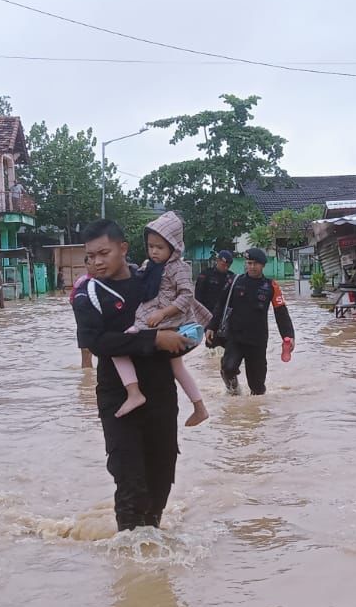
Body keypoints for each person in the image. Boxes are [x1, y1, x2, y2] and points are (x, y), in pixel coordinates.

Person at [72, 219, 190, 532]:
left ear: (123, 249)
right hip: (118, 396)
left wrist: (186, 337)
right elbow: (95, 342)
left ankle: (152, 551)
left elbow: (182, 310)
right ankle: (128, 558)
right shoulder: (88, 293)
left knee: (162, 475)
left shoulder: (153, 280)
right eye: (90, 256)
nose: (96, 261)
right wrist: (153, 340)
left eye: (103, 253)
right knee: (130, 480)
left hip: (161, 391)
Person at [112, 212, 214, 427]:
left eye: (159, 247)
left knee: (119, 345)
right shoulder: (149, 266)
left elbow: (187, 296)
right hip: (155, 318)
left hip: (166, 321)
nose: (154, 251)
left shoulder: (179, 268)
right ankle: (200, 407)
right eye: (151, 246)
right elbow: (136, 281)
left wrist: (163, 313)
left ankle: (133, 392)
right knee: (177, 368)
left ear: (173, 246)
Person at [216, 247, 296, 396]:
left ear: (263, 265)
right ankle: (234, 393)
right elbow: (221, 305)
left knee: (257, 387)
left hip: (257, 340)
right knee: (228, 368)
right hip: (235, 337)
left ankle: (256, 414)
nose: (251, 267)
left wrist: (289, 335)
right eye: (249, 263)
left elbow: (281, 313)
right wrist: (211, 327)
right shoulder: (235, 281)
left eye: (255, 264)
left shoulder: (271, 286)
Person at [196, 250, 235, 345]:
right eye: (223, 265)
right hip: (208, 314)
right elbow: (197, 298)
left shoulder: (231, 277)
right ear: (217, 261)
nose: (225, 268)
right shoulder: (205, 275)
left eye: (227, 266)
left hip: (224, 316)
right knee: (211, 342)